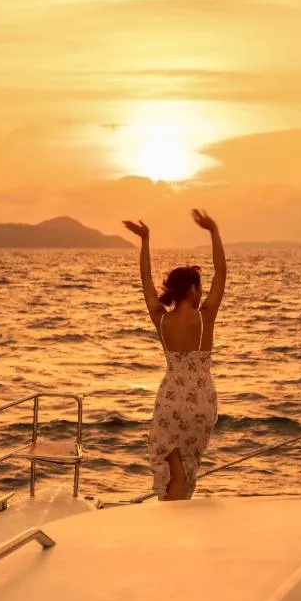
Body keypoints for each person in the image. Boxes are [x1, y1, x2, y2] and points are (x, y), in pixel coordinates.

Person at [122, 210, 225, 500]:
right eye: (199, 289)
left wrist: (145, 240)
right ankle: (177, 525)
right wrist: (213, 230)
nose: (201, 293)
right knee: (186, 469)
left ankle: (172, 528)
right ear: (193, 290)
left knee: (174, 470)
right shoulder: (206, 317)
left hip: (172, 399)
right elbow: (221, 273)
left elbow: (145, 279)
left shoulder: (162, 319)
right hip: (203, 399)